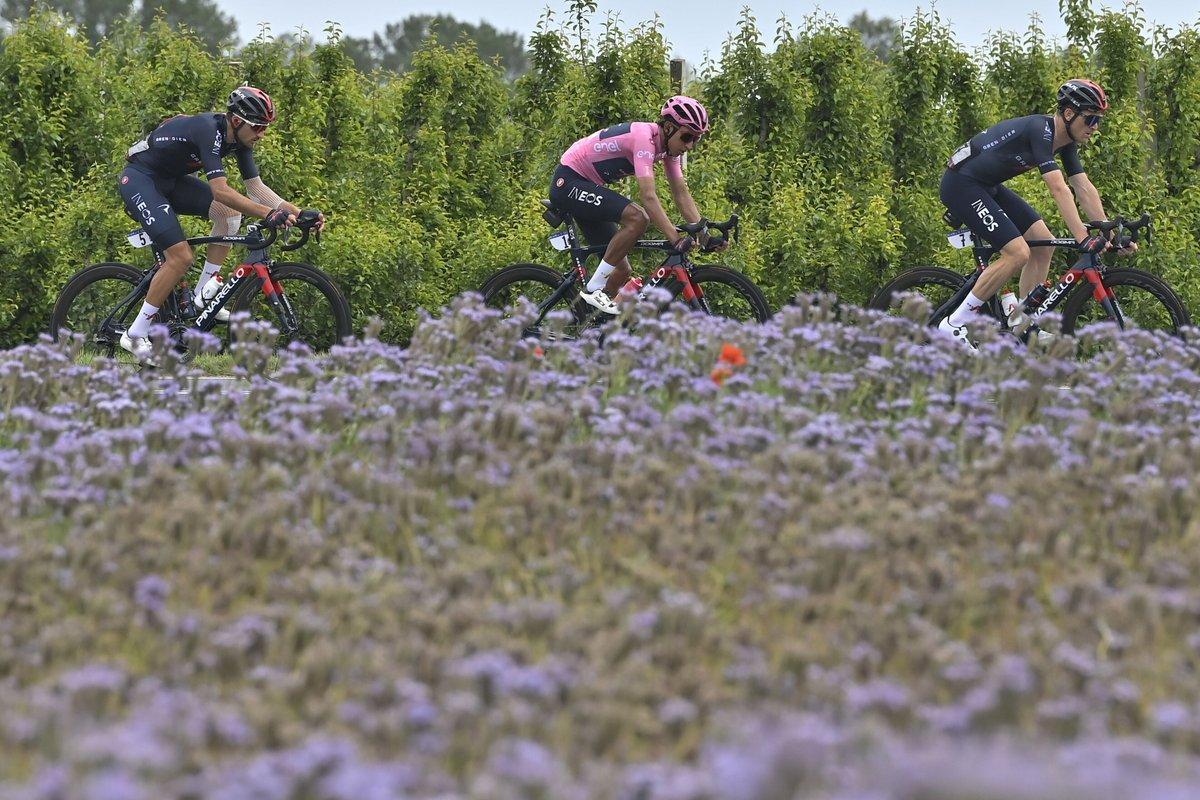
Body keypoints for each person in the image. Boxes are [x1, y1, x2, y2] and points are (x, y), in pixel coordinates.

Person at [117, 86, 324, 359]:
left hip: (169, 181)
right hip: (141, 179)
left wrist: (298, 215)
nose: (262, 134)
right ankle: (134, 334)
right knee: (180, 257)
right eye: (258, 127)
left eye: (265, 128)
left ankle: (203, 293)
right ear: (237, 121)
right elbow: (221, 191)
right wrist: (267, 214)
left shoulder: (240, 140)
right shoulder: (208, 130)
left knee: (228, 215)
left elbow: (257, 189)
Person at [937, 78, 1135, 347]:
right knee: (1018, 253)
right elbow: (1058, 187)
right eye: (1090, 119)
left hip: (986, 185)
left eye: (1099, 120)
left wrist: (1108, 232)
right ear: (1068, 114)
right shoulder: (1040, 131)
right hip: (961, 184)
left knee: (1044, 244)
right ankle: (954, 323)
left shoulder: (1066, 143)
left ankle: (1021, 320)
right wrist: (1082, 237)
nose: (1095, 127)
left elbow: (1082, 187)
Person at [549, 95, 718, 314]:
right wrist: (675, 239)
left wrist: (704, 235)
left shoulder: (668, 149)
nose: (690, 146)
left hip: (587, 186)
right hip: (569, 182)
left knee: (621, 271)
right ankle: (593, 291)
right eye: (687, 137)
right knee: (638, 218)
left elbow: (681, 193)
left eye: (696, 139)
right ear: (668, 127)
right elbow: (647, 197)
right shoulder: (644, 138)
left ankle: (589, 325)